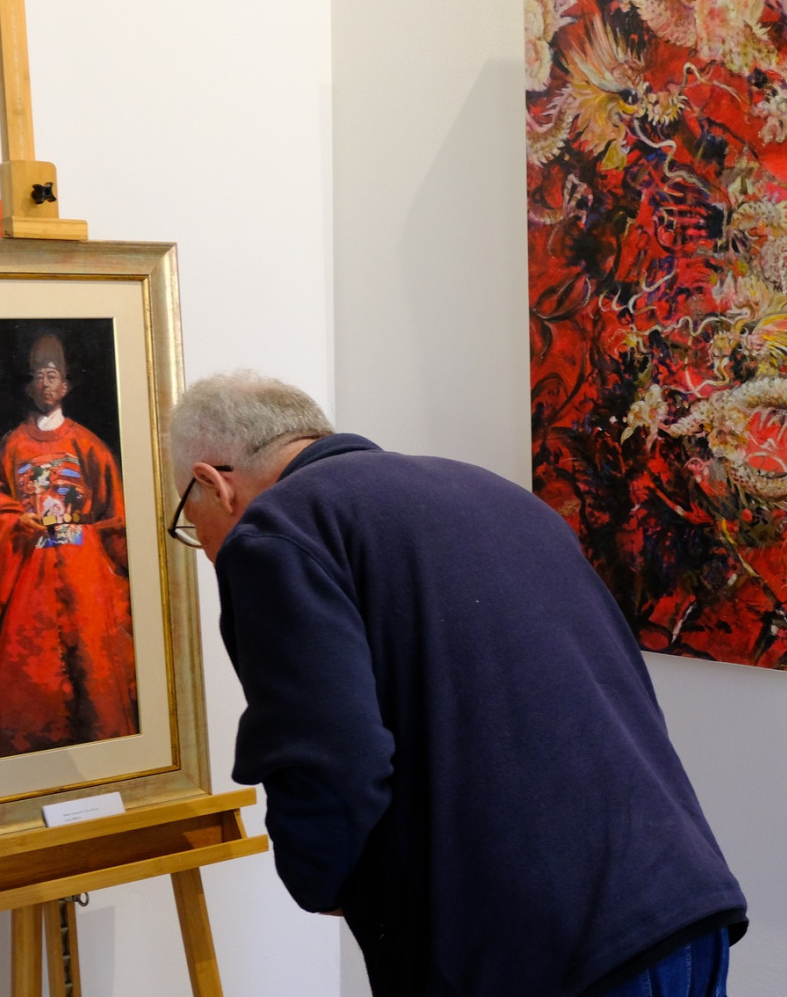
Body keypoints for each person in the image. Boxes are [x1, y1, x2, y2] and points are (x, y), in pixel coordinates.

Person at [167, 371, 745, 997]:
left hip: (535, 945)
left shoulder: (278, 531)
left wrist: (321, 877)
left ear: (213, 482)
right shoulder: (492, 491)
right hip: (678, 900)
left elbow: (329, 754)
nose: (206, 549)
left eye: (190, 522)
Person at [0, 331, 139, 756]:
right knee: (33, 663)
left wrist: (96, 543)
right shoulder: (12, 446)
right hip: (32, 570)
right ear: (29, 385)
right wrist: (17, 519)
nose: (46, 384)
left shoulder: (88, 445)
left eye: (53, 376)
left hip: (84, 569)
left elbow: (116, 513)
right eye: (38, 376)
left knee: (93, 661)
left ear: (66, 384)